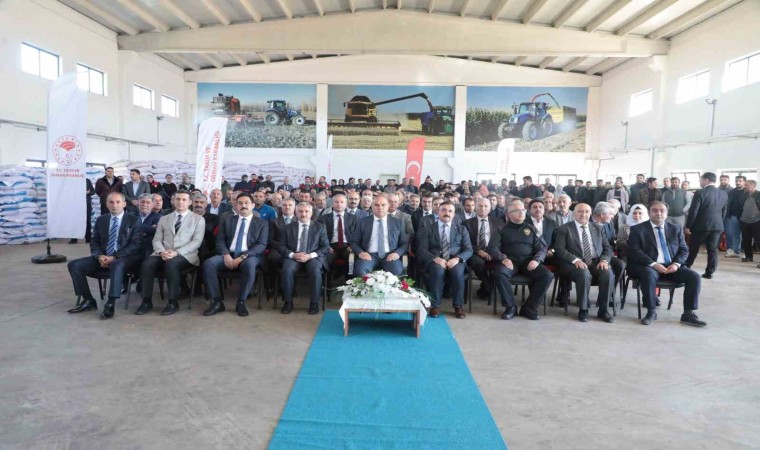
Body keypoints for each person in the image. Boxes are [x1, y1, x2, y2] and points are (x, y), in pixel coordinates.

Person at [627, 202, 706, 327]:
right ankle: (651, 312)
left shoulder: (675, 229)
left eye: (662, 210)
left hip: (671, 267)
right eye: (654, 210)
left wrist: (676, 264)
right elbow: (634, 251)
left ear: (666, 213)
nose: (658, 213)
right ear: (649, 213)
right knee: (648, 275)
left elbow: (684, 250)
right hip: (648, 266)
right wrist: (653, 264)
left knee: (694, 277)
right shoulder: (637, 229)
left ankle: (688, 314)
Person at [66, 192, 143, 320]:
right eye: (111, 202)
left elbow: (135, 244)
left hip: (125, 258)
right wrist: (99, 256)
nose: (114, 205)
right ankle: (88, 300)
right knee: (74, 265)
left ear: (124, 204)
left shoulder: (134, 220)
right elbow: (94, 242)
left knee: (116, 264)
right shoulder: (101, 220)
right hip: (103, 257)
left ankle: (110, 303)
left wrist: (115, 257)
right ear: (106, 204)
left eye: (118, 202)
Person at [136, 191, 205, 316]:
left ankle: (173, 302)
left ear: (190, 202)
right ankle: (146, 302)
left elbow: (196, 242)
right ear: (173, 201)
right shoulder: (164, 218)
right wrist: (162, 251)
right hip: (163, 252)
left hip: (186, 254)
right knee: (147, 264)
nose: (180, 202)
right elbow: (157, 239)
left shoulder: (198, 219)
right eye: (178, 199)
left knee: (171, 264)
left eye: (184, 200)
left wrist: (176, 252)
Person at [200, 193, 268, 317]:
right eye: (240, 203)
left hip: (249, 256)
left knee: (249, 265)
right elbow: (220, 240)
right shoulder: (227, 220)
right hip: (228, 254)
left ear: (253, 205)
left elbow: (261, 244)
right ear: (236, 206)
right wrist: (226, 254)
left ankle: (241, 302)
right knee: (209, 264)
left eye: (246, 203)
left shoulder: (262, 223)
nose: (243, 205)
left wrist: (243, 257)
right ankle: (217, 302)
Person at [488, 199, 553, 321]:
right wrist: (503, 258)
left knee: (547, 275)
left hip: (528, 262)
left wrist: (537, 260)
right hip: (509, 261)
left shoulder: (532, 228)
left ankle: (529, 308)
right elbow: (492, 248)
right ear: (509, 214)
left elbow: (542, 248)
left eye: (523, 210)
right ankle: (510, 307)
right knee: (499, 273)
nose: (521, 212)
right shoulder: (501, 229)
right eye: (517, 210)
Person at [552, 203, 615, 323]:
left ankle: (603, 310)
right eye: (580, 211)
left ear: (590, 213)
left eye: (587, 211)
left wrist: (604, 260)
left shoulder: (598, 228)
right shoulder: (564, 228)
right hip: (573, 263)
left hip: (595, 261)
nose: (583, 214)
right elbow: (559, 249)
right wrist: (576, 260)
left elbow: (608, 249)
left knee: (607, 273)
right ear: (574, 213)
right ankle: (583, 309)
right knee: (583, 274)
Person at [416, 201, 473, 319]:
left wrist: (457, 258)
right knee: (438, 272)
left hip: (455, 259)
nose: (447, 213)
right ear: (438, 211)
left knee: (457, 273)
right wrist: (435, 258)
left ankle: (458, 306)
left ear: (454, 214)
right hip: (435, 259)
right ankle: (435, 305)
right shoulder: (428, 228)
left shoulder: (462, 229)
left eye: (450, 211)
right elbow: (421, 250)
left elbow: (469, 250)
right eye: (444, 210)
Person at [278, 202, 330, 315]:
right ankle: (288, 302)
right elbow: (281, 246)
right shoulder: (287, 228)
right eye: (300, 211)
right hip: (293, 256)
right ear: (296, 213)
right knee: (287, 269)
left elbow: (325, 247)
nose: (303, 214)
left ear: (311, 213)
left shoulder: (320, 227)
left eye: (306, 211)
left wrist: (310, 256)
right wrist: (292, 255)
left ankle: (314, 303)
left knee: (315, 270)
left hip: (312, 256)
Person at [350, 194, 408, 276]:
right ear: (372, 206)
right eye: (376, 205)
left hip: (390, 255)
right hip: (369, 255)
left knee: (398, 272)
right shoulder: (362, 222)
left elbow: (404, 243)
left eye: (383, 205)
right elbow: (354, 242)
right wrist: (361, 253)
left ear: (388, 206)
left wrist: (397, 253)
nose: (380, 207)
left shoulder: (397, 223)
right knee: (360, 271)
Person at [685, 172, 728, 279]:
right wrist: (719, 222)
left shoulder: (700, 192)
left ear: (706, 180)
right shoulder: (723, 193)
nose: (699, 182)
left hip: (700, 226)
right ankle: (709, 272)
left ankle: (686, 267)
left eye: (701, 179)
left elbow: (694, 211)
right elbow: (724, 211)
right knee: (713, 250)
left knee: (693, 248)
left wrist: (688, 226)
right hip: (717, 226)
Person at [318, 193, 356, 287]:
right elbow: (320, 236)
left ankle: (351, 283)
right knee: (325, 261)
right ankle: (327, 285)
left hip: (348, 246)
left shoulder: (353, 218)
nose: (339, 204)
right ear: (332, 203)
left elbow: (357, 235)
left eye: (342, 202)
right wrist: (326, 246)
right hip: (330, 246)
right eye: (336, 202)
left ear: (346, 204)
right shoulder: (323, 219)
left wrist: (352, 245)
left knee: (351, 259)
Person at [725, 176, 747, 258]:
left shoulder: (747, 192)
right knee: (733, 234)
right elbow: (728, 204)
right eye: (736, 181)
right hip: (733, 216)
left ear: (744, 182)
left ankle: (744, 252)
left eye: (740, 181)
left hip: (746, 217)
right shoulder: (731, 192)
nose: (738, 182)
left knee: (745, 235)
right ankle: (734, 251)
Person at [69, 177, 95, 244]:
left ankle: (88, 238)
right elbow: (69, 191)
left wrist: (88, 193)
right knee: (75, 220)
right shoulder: (73, 180)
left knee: (87, 220)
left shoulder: (87, 180)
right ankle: (74, 239)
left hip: (87, 203)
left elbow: (93, 191)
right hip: (76, 203)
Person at [739, 180, 760, 263]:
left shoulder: (759, 195)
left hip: (757, 221)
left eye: (746, 185)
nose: (745, 187)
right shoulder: (743, 195)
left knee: (759, 240)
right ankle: (748, 257)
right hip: (744, 221)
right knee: (746, 240)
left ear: (753, 186)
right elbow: (740, 207)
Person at [136, 194, 162, 258]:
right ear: (138, 203)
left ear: (152, 205)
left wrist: (135, 227)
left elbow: (155, 230)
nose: (144, 204)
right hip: (132, 247)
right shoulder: (131, 215)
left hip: (148, 248)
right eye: (142, 202)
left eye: (148, 202)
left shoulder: (158, 217)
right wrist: (148, 229)